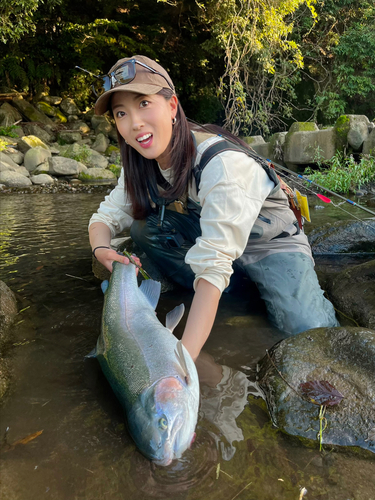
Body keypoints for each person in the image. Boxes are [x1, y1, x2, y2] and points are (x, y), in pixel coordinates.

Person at [88, 55, 339, 362]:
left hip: (269, 244)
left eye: (143, 104)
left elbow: (213, 264)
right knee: (144, 229)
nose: (134, 123)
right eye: (121, 113)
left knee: (309, 334)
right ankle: (240, 292)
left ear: (170, 106)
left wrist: (181, 362)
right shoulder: (139, 162)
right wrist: (101, 250)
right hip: (214, 241)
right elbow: (105, 217)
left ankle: (263, 289)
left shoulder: (222, 163)